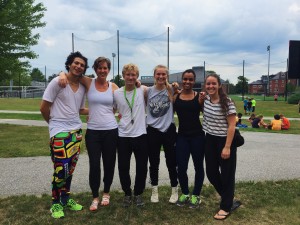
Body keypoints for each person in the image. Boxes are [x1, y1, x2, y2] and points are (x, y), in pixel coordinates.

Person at [58, 57, 119, 211]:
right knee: (94, 165)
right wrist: (61, 74)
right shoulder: (88, 82)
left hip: (111, 131)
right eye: (99, 68)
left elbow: (120, 103)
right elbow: (72, 74)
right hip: (93, 132)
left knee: (109, 163)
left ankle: (106, 193)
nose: (102, 71)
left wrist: (138, 83)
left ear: (108, 69)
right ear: (95, 69)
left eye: (105, 68)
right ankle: (95, 197)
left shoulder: (113, 87)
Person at [40, 51, 88, 219]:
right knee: (60, 169)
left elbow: (80, 109)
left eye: (82, 65)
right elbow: (43, 107)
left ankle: (66, 198)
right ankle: (55, 203)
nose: (78, 66)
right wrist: (53, 125)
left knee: (70, 169)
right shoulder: (57, 82)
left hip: (76, 132)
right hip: (60, 132)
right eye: (76, 63)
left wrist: (102, 111)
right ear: (69, 64)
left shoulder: (82, 87)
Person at [202, 73, 241, 220]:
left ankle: (225, 207)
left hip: (225, 140)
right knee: (211, 172)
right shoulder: (205, 99)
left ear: (219, 85)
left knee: (227, 175)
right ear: (205, 86)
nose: (211, 86)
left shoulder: (227, 102)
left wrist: (227, 147)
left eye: (213, 83)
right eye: (208, 84)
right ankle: (228, 198)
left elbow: (232, 126)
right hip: (210, 139)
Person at [113, 63, 148, 207]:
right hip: (123, 135)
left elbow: (161, 87)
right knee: (123, 167)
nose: (130, 77)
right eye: (128, 74)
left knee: (141, 167)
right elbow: (112, 110)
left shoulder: (143, 90)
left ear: (137, 77)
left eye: (133, 75)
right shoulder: (116, 93)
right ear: (123, 76)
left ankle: (138, 193)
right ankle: (127, 193)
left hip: (140, 135)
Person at [146, 65, 179, 204]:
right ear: (154, 75)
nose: (161, 77)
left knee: (171, 161)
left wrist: (176, 88)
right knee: (154, 162)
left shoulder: (172, 89)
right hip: (153, 130)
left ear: (167, 76)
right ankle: (154, 189)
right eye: (158, 74)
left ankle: (174, 189)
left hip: (168, 129)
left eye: (163, 74)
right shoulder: (147, 91)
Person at [173, 69, 205, 209]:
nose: (187, 82)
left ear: (194, 81)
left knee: (198, 167)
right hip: (182, 137)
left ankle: (196, 195)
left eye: (190, 79)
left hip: (197, 136)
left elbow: (209, 114)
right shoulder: (176, 96)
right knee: (181, 168)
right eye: (185, 79)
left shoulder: (199, 97)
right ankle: (185, 193)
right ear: (181, 80)